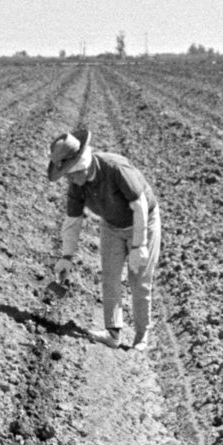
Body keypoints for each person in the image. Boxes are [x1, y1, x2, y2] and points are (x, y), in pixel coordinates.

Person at [48, 127, 161, 350]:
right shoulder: (77, 186)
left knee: (139, 280)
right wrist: (66, 257)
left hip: (143, 221)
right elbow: (72, 221)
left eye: (70, 173)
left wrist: (139, 245)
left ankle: (141, 335)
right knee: (110, 277)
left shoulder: (115, 168)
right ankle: (112, 333)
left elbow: (139, 205)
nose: (69, 178)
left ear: (82, 166)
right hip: (111, 225)